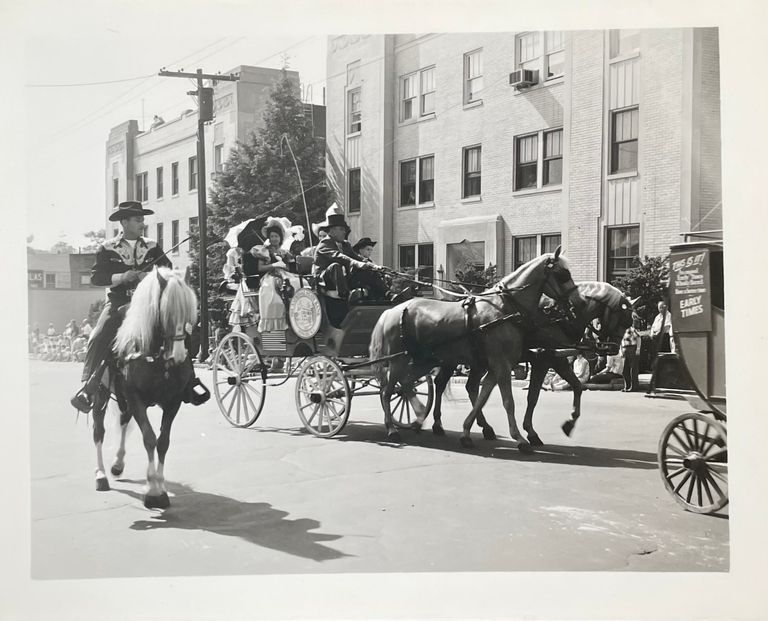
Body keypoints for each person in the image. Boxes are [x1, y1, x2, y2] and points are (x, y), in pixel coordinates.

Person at [70, 201, 192, 413]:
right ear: (124, 222)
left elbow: (168, 271)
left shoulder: (153, 246)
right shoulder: (107, 248)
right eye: (137, 220)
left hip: (149, 304)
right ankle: (88, 386)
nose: (142, 223)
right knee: (98, 336)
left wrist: (150, 276)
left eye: (142, 219)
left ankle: (189, 381)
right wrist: (122, 276)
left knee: (180, 328)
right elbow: (96, 278)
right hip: (119, 303)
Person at [313, 204, 383, 305]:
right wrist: (357, 263)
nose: (344, 232)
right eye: (341, 229)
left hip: (343, 279)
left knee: (370, 270)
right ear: (332, 230)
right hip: (325, 280)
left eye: (344, 230)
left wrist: (373, 266)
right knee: (335, 266)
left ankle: (385, 295)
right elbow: (339, 256)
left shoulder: (345, 244)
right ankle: (345, 296)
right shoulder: (324, 243)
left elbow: (356, 257)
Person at [620, 313, 643, 392]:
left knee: (633, 369)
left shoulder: (631, 329)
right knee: (625, 370)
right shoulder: (621, 330)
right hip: (625, 349)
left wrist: (638, 349)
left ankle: (634, 387)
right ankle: (627, 386)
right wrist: (621, 350)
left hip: (632, 348)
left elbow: (638, 338)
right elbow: (621, 341)